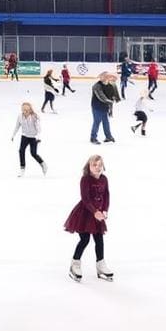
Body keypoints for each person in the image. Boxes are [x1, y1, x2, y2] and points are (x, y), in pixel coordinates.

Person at [64, 154, 113, 282]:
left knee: (99, 239)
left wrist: (104, 210)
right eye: (94, 165)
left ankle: (101, 265)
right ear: (89, 166)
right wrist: (94, 211)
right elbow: (85, 199)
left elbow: (107, 196)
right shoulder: (85, 179)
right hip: (84, 214)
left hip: (98, 215)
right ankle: (75, 264)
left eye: (100, 165)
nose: (98, 167)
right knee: (84, 239)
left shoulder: (104, 179)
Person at [11, 102, 46, 176]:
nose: (25, 111)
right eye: (23, 109)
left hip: (33, 137)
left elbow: (38, 128)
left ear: (30, 109)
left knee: (33, 153)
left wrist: (38, 137)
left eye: (27, 110)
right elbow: (17, 126)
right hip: (24, 136)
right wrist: (13, 135)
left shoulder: (34, 117)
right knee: (21, 151)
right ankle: (22, 168)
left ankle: (43, 164)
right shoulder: (20, 116)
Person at [90, 72, 118, 144]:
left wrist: (111, 109)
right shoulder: (96, 86)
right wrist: (109, 102)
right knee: (97, 122)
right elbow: (101, 97)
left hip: (105, 107)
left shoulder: (110, 86)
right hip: (97, 107)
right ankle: (93, 138)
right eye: (104, 77)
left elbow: (112, 97)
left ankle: (108, 137)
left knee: (106, 122)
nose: (106, 78)